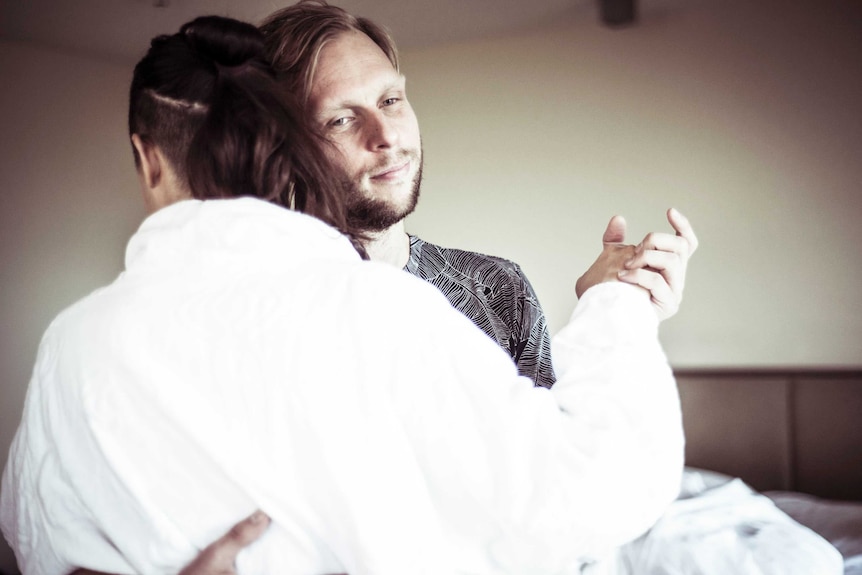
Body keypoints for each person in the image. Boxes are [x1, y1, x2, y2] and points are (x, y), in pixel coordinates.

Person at [1, 13, 685, 575]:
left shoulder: (75, 342)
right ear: (289, 143)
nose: (386, 137)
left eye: (392, 99)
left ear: (148, 158)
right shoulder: (378, 312)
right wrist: (617, 310)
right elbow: (587, 486)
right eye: (338, 119)